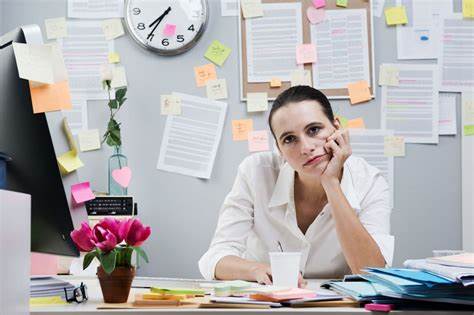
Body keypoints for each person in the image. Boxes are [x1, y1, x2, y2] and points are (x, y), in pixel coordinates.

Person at [199, 86, 394, 286]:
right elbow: (215, 258)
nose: (306, 148)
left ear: (336, 127)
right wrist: (257, 269)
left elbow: (372, 272)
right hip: (268, 303)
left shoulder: (370, 181)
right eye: (289, 139)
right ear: (279, 150)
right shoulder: (255, 171)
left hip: (337, 307)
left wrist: (331, 184)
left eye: (314, 130)